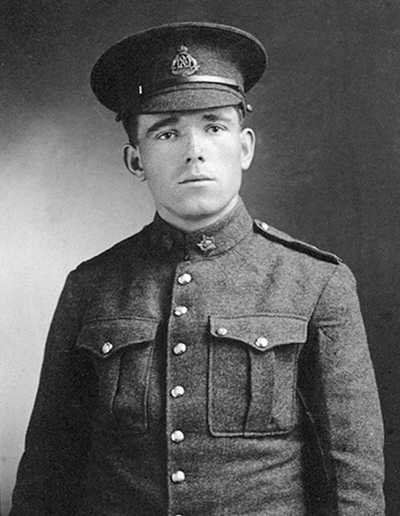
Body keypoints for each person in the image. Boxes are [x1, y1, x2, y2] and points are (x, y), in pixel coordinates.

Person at [10, 22, 385, 516]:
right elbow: (49, 468)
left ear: (244, 147)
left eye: (214, 126)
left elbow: (351, 477)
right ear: (135, 160)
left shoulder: (316, 282)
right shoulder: (91, 286)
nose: (194, 150)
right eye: (167, 132)